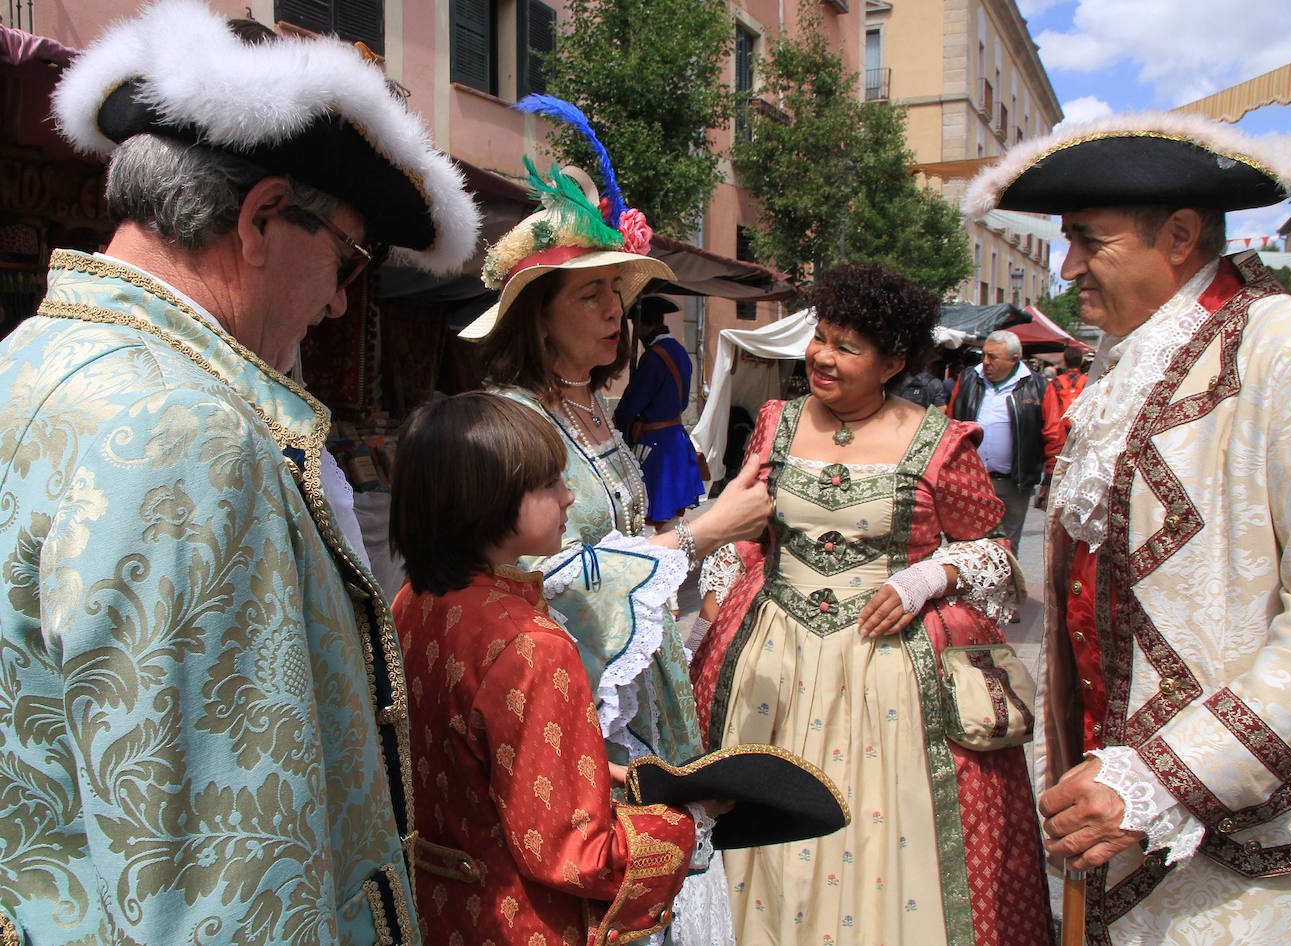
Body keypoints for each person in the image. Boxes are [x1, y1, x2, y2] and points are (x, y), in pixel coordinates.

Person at [0, 4, 481, 943]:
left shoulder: (23, 360)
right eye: (346, 258)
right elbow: (223, 886)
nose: (343, 302)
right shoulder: (192, 436)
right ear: (261, 218)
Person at [963, 111, 1291, 944]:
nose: (1067, 266)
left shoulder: (1284, 348)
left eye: (1088, 241)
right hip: (1114, 819)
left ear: (1180, 235)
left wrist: (1168, 775)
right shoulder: (1129, 355)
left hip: (1245, 831)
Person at [460, 95, 771, 946]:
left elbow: (619, 543)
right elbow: (524, 582)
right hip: (564, 696)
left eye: (618, 294)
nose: (614, 313)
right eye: (591, 295)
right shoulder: (506, 421)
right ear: (537, 312)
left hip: (641, 682)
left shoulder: (597, 409)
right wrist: (701, 533)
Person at [691, 263, 1053, 946]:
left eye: (846, 346)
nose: (822, 357)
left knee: (882, 826)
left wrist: (925, 579)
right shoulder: (775, 421)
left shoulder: (941, 442)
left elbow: (994, 555)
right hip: (773, 664)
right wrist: (718, 584)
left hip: (888, 673)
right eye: (820, 338)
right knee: (759, 824)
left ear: (892, 362)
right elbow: (747, 523)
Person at [389, 392, 728, 945]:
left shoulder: (415, 600)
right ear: (487, 499)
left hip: (442, 911)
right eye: (549, 483)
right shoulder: (530, 644)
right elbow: (576, 855)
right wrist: (692, 821)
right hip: (522, 922)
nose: (569, 496)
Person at [947, 330, 1048, 556]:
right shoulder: (968, 379)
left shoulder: (1037, 386)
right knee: (969, 545)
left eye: (992, 357)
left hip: (1014, 484)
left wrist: (1049, 478)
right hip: (972, 481)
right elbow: (951, 426)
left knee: (1007, 547)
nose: (985, 362)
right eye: (984, 355)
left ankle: (1008, 591)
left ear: (1014, 360)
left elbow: (1052, 434)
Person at [613, 295, 706, 524]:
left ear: (645, 325)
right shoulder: (680, 351)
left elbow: (632, 402)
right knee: (672, 515)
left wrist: (618, 424)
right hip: (675, 438)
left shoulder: (654, 357)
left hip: (655, 442)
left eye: (637, 325)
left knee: (655, 513)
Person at [1035, 345, 1089, 509]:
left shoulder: (1057, 383)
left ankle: (1050, 498)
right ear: (1081, 362)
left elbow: (1050, 415)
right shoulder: (1088, 383)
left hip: (1061, 437)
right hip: (1082, 437)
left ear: (1064, 361)